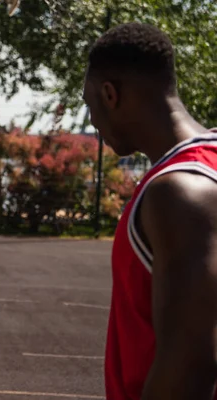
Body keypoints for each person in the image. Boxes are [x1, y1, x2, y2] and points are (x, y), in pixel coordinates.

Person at [83, 23, 217, 399]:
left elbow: (191, 366)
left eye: (89, 104)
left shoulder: (179, 191)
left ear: (110, 95)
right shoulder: (209, 165)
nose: (92, 121)